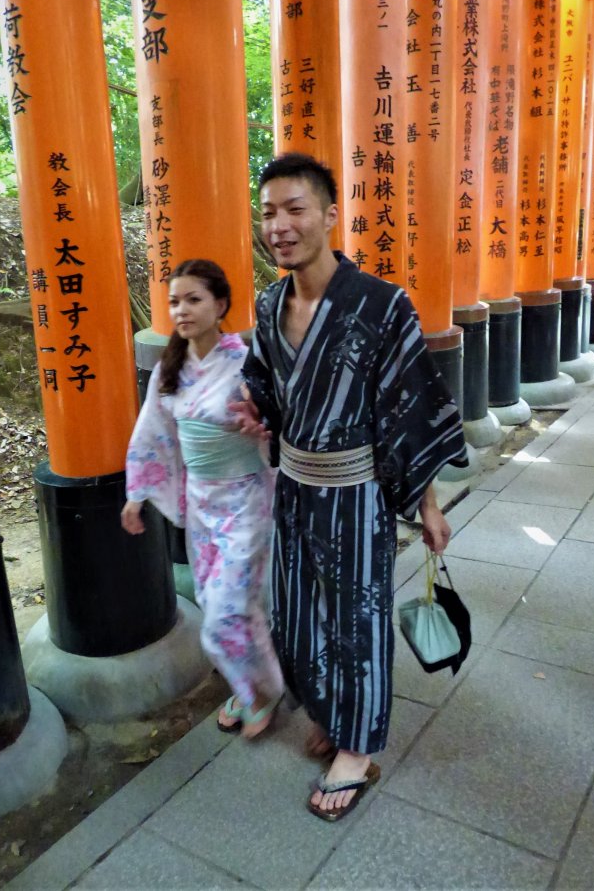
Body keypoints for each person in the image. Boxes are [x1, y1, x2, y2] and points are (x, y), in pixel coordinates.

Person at [232, 152, 467, 820]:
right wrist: (254, 415)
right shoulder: (270, 302)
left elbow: (410, 407)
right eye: (269, 211)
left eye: (294, 208)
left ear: (330, 215)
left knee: (355, 622)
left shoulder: (382, 306)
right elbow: (264, 393)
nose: (279, 224)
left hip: (356, 495)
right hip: (297, 494)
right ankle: (335, 714)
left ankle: (358, 750)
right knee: (302, 618)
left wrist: (427, 503)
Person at [121, 259, 283, 739]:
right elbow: (153, 434)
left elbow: (277, 421)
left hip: (248, 500)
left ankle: (261, 692)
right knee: (221, 599)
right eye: (175, 301)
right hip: (203, 508)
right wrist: (136, 496)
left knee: (224, 613)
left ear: (221, 305)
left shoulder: (246, 365)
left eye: (194, 299)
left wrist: (262, 427)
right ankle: (248, 684)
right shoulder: (169, 373)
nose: (182, 310)